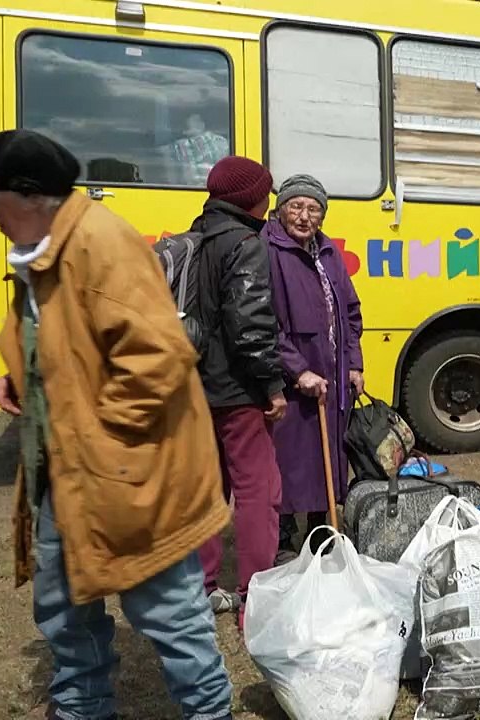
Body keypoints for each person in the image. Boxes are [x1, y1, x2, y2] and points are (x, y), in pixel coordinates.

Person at [0, 129, 235, 720]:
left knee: (171, 614)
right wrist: (23, 376)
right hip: (63, 471)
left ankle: (210, 713)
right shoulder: (38, 248)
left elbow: (157, 358)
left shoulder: (101, 243)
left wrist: (95, 438)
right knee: (63, 607)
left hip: (130, 474)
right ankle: (82, 709)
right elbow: (60, 338)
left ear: (24, 195)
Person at [190, 155, 289, 622]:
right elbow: (250, 326)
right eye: (265, 193)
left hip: (193, 389)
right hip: (237, 391)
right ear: (252, 198)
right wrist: (271, 386)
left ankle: (202, 587)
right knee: (258, 490)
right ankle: (255, 595)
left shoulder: (193, 238)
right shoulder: (246, 243)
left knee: (207, 491)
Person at [264, 175, 365, 562]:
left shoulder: (327, 251)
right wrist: (297, 370)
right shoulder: (268, 249)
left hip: (332, 377)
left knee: (329, 459)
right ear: (281, 209)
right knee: (289, 460)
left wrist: (354, 364)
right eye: (296, 207)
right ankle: (283, 541)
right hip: (293, 380)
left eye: (313, 209)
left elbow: (351, 312)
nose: (304, 216)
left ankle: (322, 532)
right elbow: (265, 322)